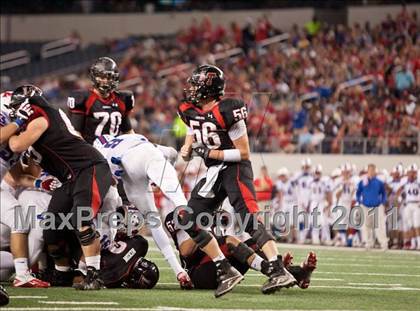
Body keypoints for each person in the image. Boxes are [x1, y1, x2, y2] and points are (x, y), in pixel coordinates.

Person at [178, 64, 296, 297]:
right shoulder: (188, 110)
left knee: (248, 218)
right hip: (214, 172)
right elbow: (193, 126)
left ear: (208, 88)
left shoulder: (228, 110)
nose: (191, 89)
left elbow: (243, 152)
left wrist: (209, 154)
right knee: (187, 217)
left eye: (196, 85)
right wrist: (188, 145)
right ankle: (224, 268)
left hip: (235, 168)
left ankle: (276, 267)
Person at [7, 85, 114, 290]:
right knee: (51, 230)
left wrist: (13, 128)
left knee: (81, 218)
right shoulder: (37, 123)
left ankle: (94, 274)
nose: (17, 112)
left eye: (19, 107)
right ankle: (62, 273)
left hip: (88, 167)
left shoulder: (41, 118)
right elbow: (18, 172)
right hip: (70, 177)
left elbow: (16, 146)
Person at [93, 133, 192, 288]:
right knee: (181, 204)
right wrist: (164, 171)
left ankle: (179, 271)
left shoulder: (99, 154)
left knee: (154, 222)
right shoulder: (130, 138)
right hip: (145, 156)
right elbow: (172, 153)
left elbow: (108, 185)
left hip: (129, 174)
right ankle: (199, 254)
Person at [0, 90, 53, 287]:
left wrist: (40, 183)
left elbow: (14, 175)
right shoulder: (7, 115)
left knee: (19, 219)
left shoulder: (17, 127)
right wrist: (19, 122)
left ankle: (23, 275)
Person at [67, 57, 134, 144]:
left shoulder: (123, 99)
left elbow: (128, 131)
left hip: (114, 151)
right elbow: (75, 133)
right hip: (91, 150)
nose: (105, 81)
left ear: (115, 78)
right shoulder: (84, 98)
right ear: (94, 77)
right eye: (102, 77)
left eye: (109, 77)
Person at [356, 164, 388, 250]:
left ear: (375, 171)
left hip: (376, 206)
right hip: (365, 206)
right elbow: (358, 192)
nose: (371, 172)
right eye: (369, 170)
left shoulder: (379, 182)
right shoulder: (363, 181)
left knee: (379, 226)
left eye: (372, 170)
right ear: (367, 171)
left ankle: (383, 243)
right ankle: (368, 242)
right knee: (366, 226)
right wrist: (360, 202)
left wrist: (382, 202)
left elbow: (384, 193)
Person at [397, 164, 420, 250]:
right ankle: (413, 243)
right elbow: (399, 193)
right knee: (410, 225)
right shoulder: (405, 182)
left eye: (413, 172)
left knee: (416, 224)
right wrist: (400, 200)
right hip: (408, 204)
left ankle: (419, 243)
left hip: (416, 204)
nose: (411, 174)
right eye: (410, 172)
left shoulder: (418, 182)